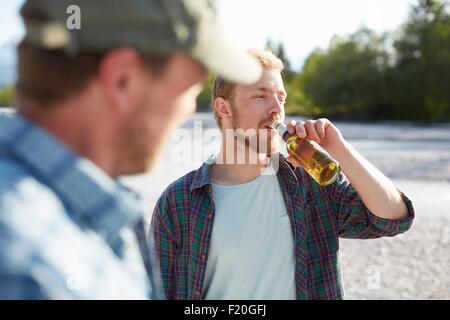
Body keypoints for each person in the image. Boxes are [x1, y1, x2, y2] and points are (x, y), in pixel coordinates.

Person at [0, 0, 262, 299]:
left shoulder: (81, 218)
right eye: (189, 89)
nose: (189, 109)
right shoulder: (33, 275)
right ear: (122, 79)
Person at [150, 49, 415, 300]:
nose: (277, 108)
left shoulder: (310, 183)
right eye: (261, 96)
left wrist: (341, 151)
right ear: (224, 108)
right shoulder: (179, 202)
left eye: (281, 97)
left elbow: (392, 219)